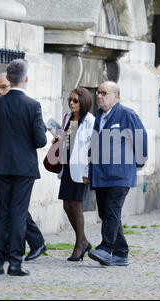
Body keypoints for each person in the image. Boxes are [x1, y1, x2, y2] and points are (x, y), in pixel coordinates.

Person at [0, 59, 47, 276]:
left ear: (8, 79)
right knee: (18, 215)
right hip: (24, 168)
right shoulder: (33, 106)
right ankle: (16, 263)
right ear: (26, 78)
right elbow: (40, 140)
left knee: (1, 215)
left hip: (1, 166)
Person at [87, 81, 147, 267]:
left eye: (104, 93)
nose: (99, 96)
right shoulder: (95, 117)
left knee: (112, 210)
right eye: (98, 92)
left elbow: (141, 139)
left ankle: (105, 248)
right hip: (100, 174)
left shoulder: (126, 114)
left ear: (116, 96)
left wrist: (137, 163)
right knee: (107, 213)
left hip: (120, 174)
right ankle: (121, 253)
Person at [57, 87, 95, 261]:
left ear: (84, 102)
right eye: (70, 100)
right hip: (67, 167)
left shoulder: (90, 121)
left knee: (76, 206)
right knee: (67, 206)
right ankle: (84, 241)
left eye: (75, 101)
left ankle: (79, 245)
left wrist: (88, 172)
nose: (71, 103)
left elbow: (92, 148)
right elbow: (67, 141)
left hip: (81, 169)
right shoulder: (68, 118)